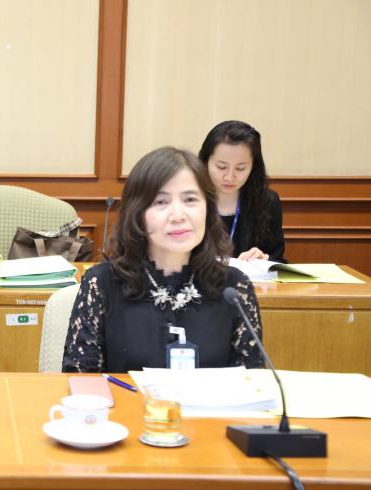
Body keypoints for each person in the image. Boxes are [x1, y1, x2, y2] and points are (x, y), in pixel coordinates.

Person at [62, 147, 263, 373]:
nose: (178, 216)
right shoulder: (103, 284)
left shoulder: (234, 288)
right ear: (137, 213)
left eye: (190, 200)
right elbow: (81, 380)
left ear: (208, 208)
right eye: (161, 202)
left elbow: (253, 383)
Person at [199, 120, 285, 262]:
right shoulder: (188, 200)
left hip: (247, 277)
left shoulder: (267, 201)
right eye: (221, 167)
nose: (229, 177)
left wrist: (264, 259)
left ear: (253, 167)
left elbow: (278, 261)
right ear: (206, 161)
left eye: (240, 168)